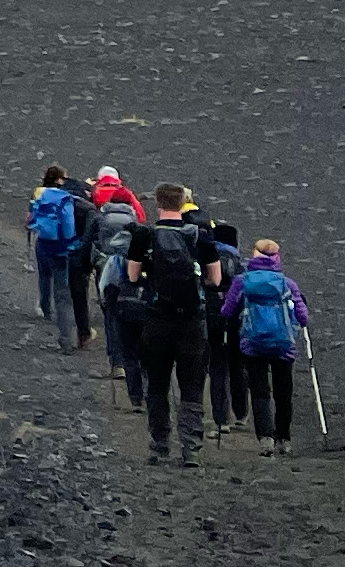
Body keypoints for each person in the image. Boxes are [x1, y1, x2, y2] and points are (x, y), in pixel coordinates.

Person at [126, 185, 218, 463]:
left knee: (157, 384)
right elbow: (214, 278)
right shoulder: (199, 235)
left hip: (157, 319)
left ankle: (160, 444)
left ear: (157, 203)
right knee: (191, 385)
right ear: (183, 203)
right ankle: (190, 448)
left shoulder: (145, 235)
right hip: (191, 320)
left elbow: (132, 277)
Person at [228, 239, 312, 453]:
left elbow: (227, 310)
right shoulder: (287, 283)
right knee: (283, 392)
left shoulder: (242, 281)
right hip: (283, 344)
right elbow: (302, 318)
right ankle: (284, 439)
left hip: (253, 343)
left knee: (259, 390)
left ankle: (265, 438)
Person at [87, 173, 147, 395]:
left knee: (110, 315)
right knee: (132, 314)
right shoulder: (135, 222)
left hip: (106, 268)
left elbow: (92, 241)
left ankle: (117, 362)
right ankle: (138, 364)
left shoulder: (100, 218)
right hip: (129, 270)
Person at [27, 165, 92, 351]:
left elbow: (30, 221)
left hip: (43, 244)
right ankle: (65, 339)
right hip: (60, 250)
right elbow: (69, 226)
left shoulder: (41, 194)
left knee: (44, 276)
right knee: (63, 294)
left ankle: (45, 309)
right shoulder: (66, 200)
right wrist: (73, 245)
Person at [201, 213, 252, 434]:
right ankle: (241, 414)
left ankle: (221, 418)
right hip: (238, 321)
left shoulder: (208, 260)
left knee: (217, 367)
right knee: (238, 367)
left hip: (212, 317)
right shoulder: (242, 267)